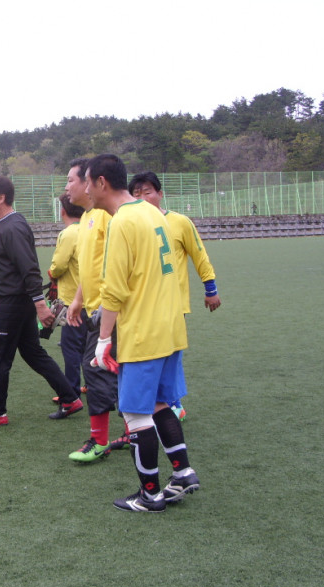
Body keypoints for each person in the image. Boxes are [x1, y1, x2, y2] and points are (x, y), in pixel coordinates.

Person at [88, 153, 198, 513]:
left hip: (143, 334)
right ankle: (182, 473)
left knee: (135, 414)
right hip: (170, 328)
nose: (86, 191)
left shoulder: (122, 221)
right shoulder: (153, 212)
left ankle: (149, 495)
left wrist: (104, 340)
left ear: (102, 182)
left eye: (88, 183)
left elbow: (114, 290)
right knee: (160, 404)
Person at [0, 177, 82, 427]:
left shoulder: (12, 227)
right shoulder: (5, 225)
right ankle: (70, 398)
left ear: (1, 198)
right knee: (32, 352)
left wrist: (40, 305)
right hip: (14, 300)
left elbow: (29, 268)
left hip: (13, 302)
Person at [129, 171, 221, 420]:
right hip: (142, 304)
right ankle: (153, 403)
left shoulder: (179, 222)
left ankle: (173, 403)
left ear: (160, 194)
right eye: (136, 194)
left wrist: (210, 289)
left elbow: (199, 255)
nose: (142, 198)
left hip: (173, 303)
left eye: (147, 192)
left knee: (170, 353)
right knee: (146, 354)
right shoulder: (130, 224)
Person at [64, 158, 127, 462]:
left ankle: (99, 441)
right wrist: (78, 299)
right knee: (114, 369)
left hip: (109, 309)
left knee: (96, 368)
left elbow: (117, 265)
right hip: (94, 309)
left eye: (71, 181)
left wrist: (103, 303)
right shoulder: (88, 218)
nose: (67, 187)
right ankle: (131, 431)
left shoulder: (105, 216)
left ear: (89, 183)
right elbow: (91, 267)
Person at [48, 192, 87, 396]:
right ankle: (92, 384)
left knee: (70, 347)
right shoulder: (89, 228)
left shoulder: (69, 233)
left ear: (63, 211)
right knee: (88, 345)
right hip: (93, 298)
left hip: (73, 299)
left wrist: (52, 274)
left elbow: (59, 266)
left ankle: (71, 391)